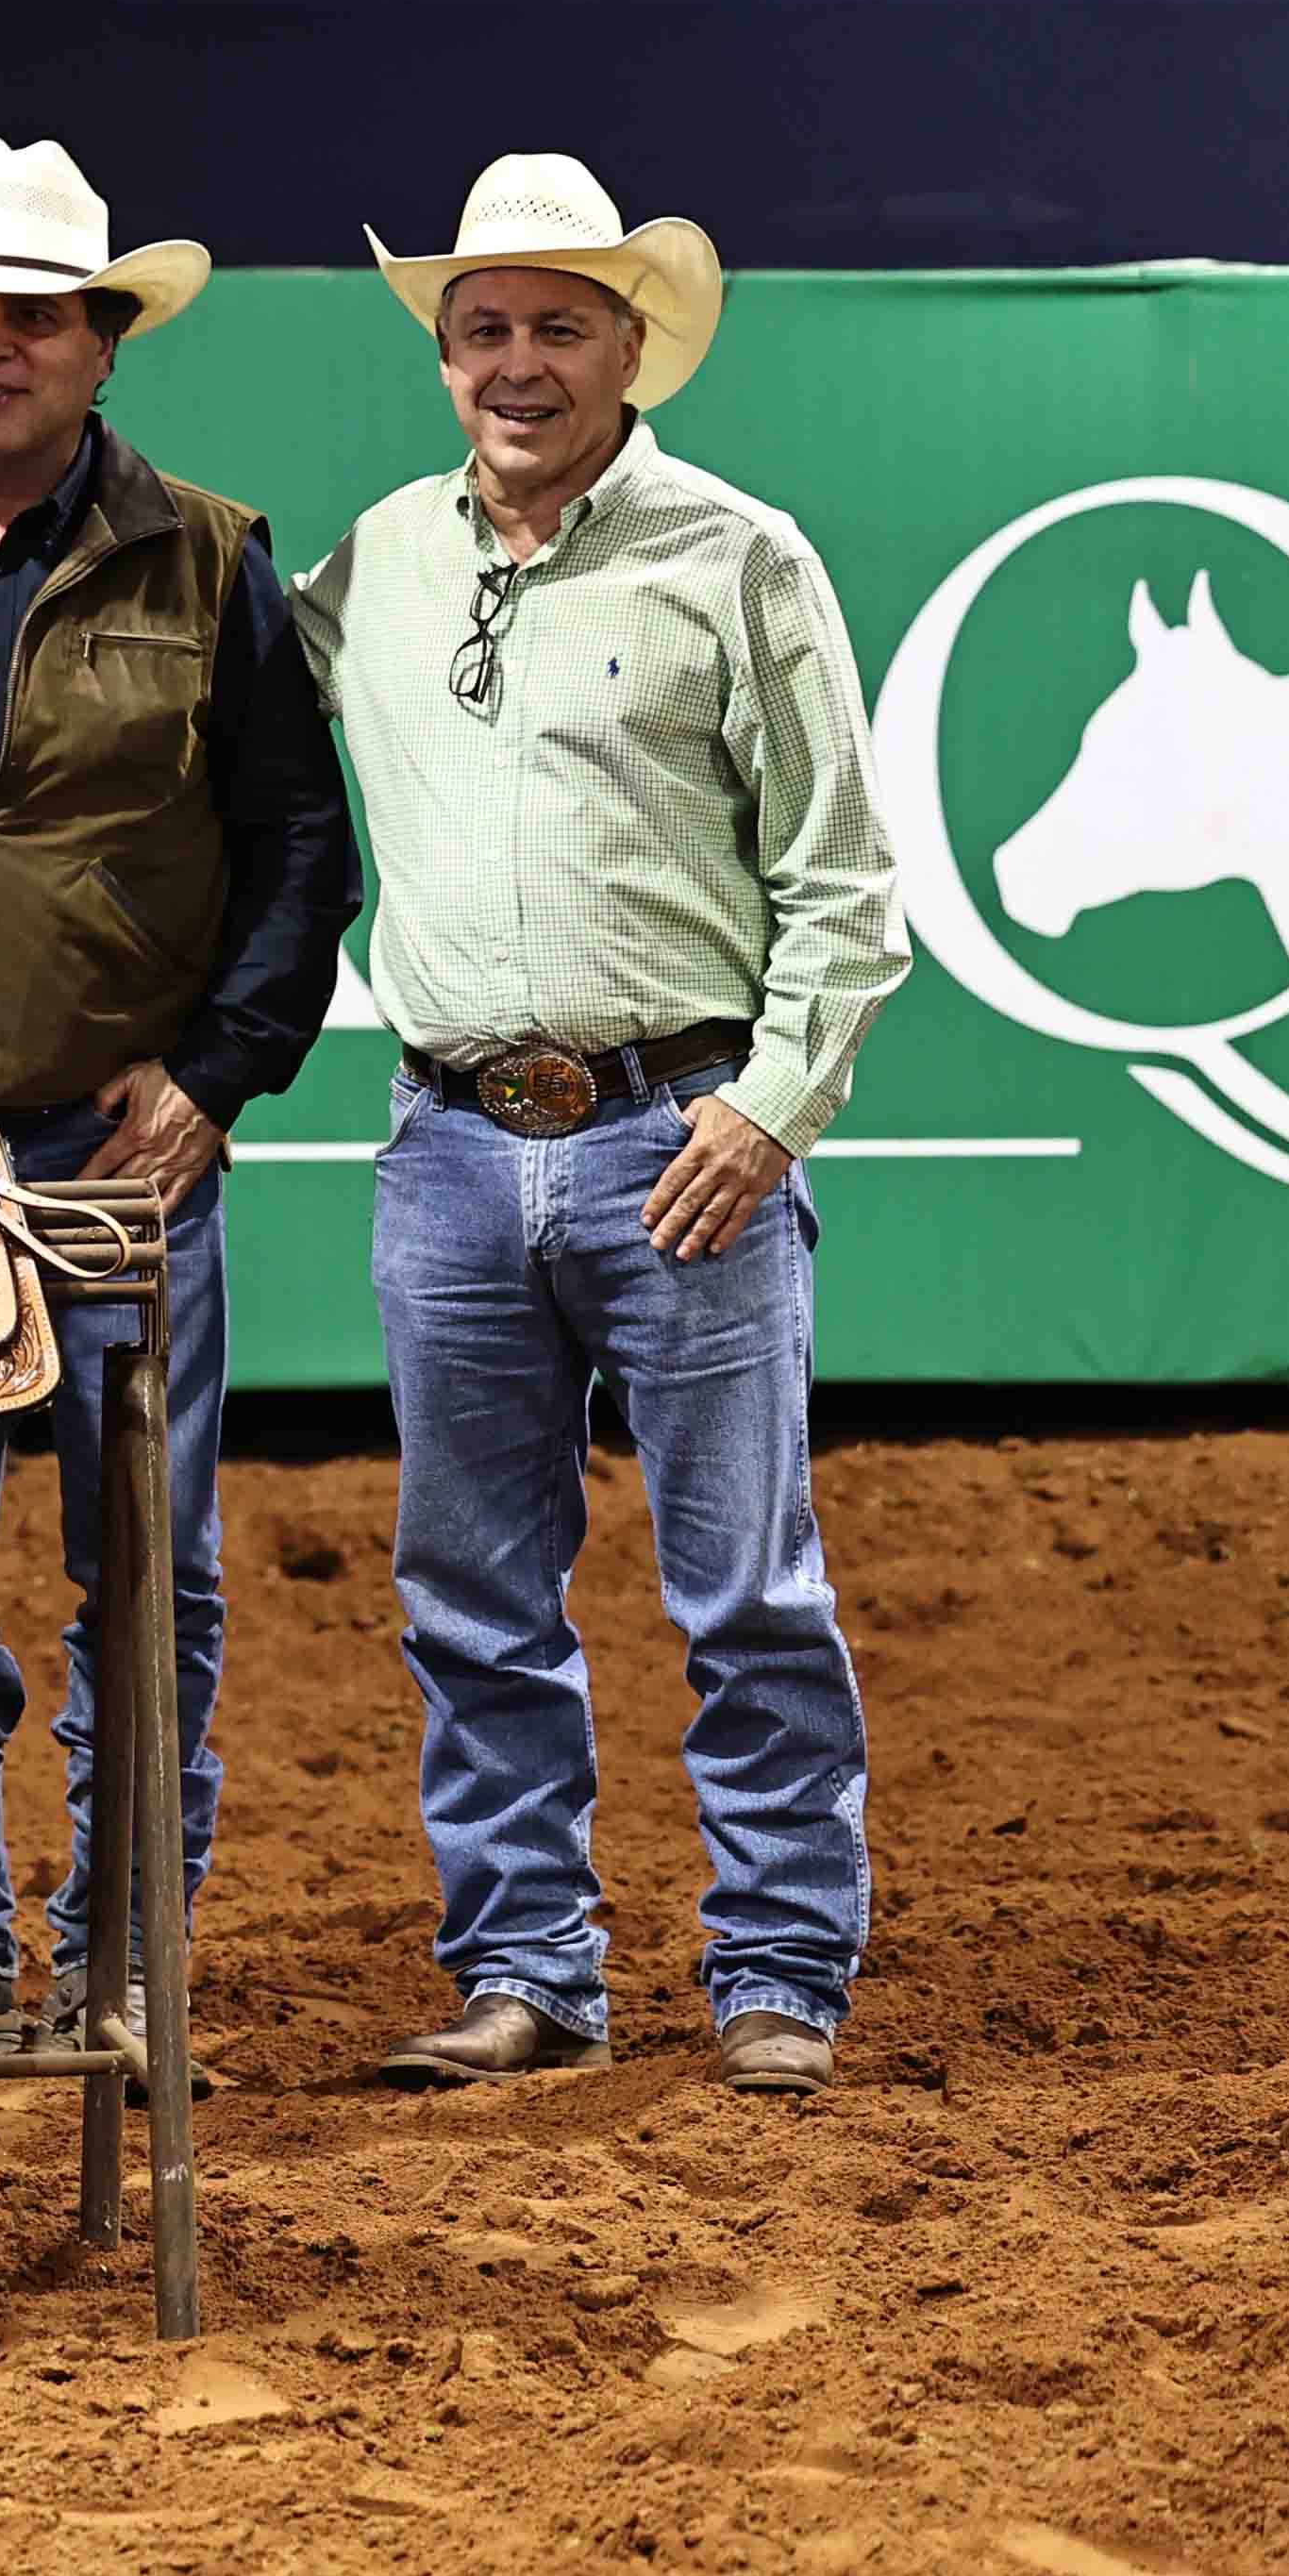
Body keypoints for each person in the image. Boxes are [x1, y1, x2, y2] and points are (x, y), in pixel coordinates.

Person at [293, 155, 903, 2101]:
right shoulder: (376, 561)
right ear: (441, 354)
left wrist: (771, 1108)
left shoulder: (739, 556)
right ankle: (524, 1968)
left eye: (558, 326)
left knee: (747, 1591)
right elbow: (211, 741)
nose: (516, 361)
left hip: (679, 1140)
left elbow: (843, 882)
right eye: (482, 326)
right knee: (472, 1596)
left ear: (631, 348)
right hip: (447, 1141)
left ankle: (777, 1974)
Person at [0, 138, 360, 2086]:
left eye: (29, 315)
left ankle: (123, 1958)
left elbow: (299, 849)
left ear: (105, 342)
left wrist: (212, 1077)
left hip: (116, 1158)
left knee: (146, 1569)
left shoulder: (210, 553)